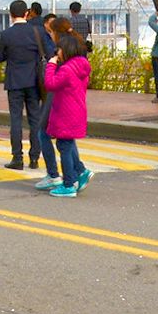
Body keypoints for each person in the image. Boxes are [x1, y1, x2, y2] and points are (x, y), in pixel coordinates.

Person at [0, 0, 56, 172]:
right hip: (34, 82)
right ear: (27, 13)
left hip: (14, 81)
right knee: (35, 119)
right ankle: (35, 157)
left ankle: (17, 158)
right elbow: (49, 53)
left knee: (16, 119)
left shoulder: (6, 34)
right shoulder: (37, 32)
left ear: (11, 15)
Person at [43, 31, 92, 197]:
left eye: (59, 49)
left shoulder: (67, 69)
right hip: (76, 111)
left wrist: (51, 65)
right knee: (68, 144)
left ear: (67, 50)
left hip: (65, 113)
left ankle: (68, 183)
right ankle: (80, 171)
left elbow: (50, 84)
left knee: (64, 147)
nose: (58, 53)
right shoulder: (81, 66)